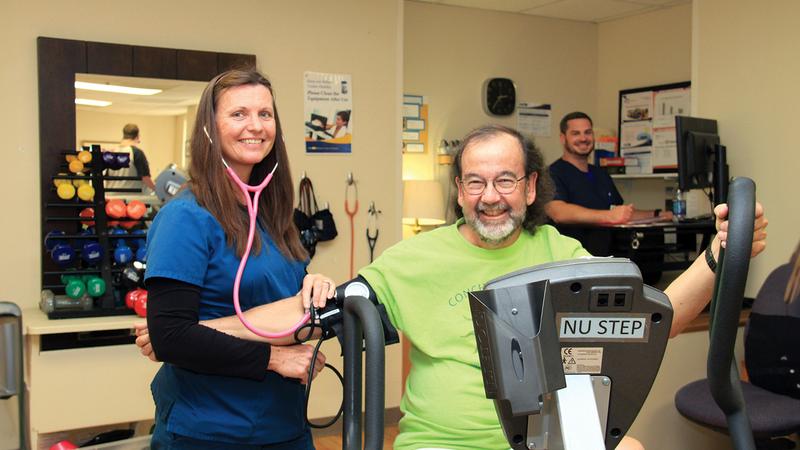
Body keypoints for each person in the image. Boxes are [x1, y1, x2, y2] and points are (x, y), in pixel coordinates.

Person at [137, 124, 767, 450]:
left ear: (528, 188)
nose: (489, 197)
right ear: (460, 190)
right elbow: (311, 310)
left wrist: (720, 256)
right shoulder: (417, 259)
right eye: (474, 182)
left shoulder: (562, 253)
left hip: (552, 436)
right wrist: (188, 333)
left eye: (504, 181)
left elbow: (653, 321)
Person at [139, 68, 337, 449]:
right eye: (238, 114)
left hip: (285, 425)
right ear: (209, 129)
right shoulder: (185, 217)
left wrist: (315, 285)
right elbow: (172, 337)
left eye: (265, 114)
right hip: (211, 431)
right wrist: (274, 359)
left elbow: (290, 307)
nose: (256, 126)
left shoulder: (273, 214)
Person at [545, 112, 672, 255]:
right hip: (573, 260)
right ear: (563, 138)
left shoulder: (600, 174)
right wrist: (609, 216)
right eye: (576, 133)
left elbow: (620, 212)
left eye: (588, 132)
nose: (583, 138)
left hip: (607, 256)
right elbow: (558, 212)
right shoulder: (553, 173)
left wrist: (657, 214)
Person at [106, 123, 157, 192]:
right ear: (137, 136)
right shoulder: (136, 153)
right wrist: (156, 189)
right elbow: (145, 178)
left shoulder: (112, 153)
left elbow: (107, 177)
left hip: (111, 196)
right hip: (130, 197)